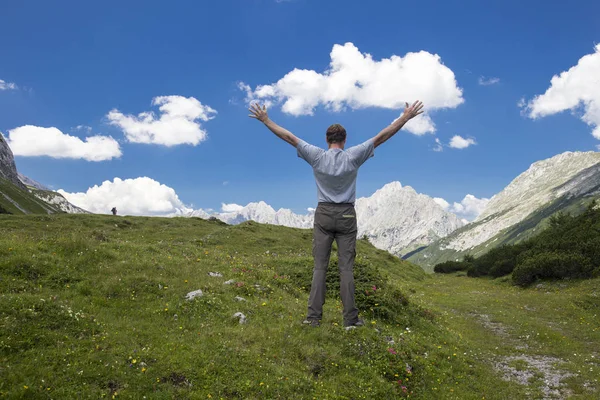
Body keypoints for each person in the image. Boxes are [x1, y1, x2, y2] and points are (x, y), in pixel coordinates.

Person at [248, 101, 424, 328]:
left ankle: (313, 318)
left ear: (327, 140)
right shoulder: (353, 156)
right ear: (344, 140)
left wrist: (265, 120)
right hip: (347, 215)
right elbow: (382, 137)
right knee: (346, 269)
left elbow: (290, 138)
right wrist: (405, 117)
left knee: (320, 267)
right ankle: (350, 320)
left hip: (323, 214)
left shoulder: (317, 156)